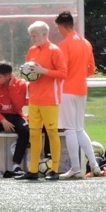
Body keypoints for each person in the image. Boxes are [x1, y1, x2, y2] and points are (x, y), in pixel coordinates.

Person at [55, 11, 101, 179]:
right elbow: (91, 69)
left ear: (61, 26)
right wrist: (79, 75)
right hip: (81, 89)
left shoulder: (64, 44)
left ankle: (75, 167)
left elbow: (62, 69)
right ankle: (94, 164)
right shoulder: (86, 43)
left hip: (67, 90)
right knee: (79, 128)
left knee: (69, 130)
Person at [20, 20, 67, 181]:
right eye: (31, 36)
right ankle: (33, 170)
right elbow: (30, 71)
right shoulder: (32, 50)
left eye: (35, 35)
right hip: (34, 99)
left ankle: (54, 170)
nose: (32, 38)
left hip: (50, 99)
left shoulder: (55, 50)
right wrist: (26, 73)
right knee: (34, 134)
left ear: (45, 34)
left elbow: (63, 73)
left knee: (52, 133)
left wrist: (43, 71)